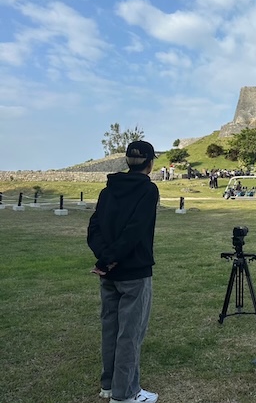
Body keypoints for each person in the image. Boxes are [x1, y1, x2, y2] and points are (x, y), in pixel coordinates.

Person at [87, 140, 160, 403]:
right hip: (134, 272)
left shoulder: (108, 190)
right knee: (129, 333)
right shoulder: (148, 191)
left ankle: (109, 384)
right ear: (150, 163)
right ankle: (125, 392)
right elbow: (135, 230)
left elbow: (94, 226)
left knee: (110, 328)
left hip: (108, 271)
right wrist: (113, 257)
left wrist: (105, 259)